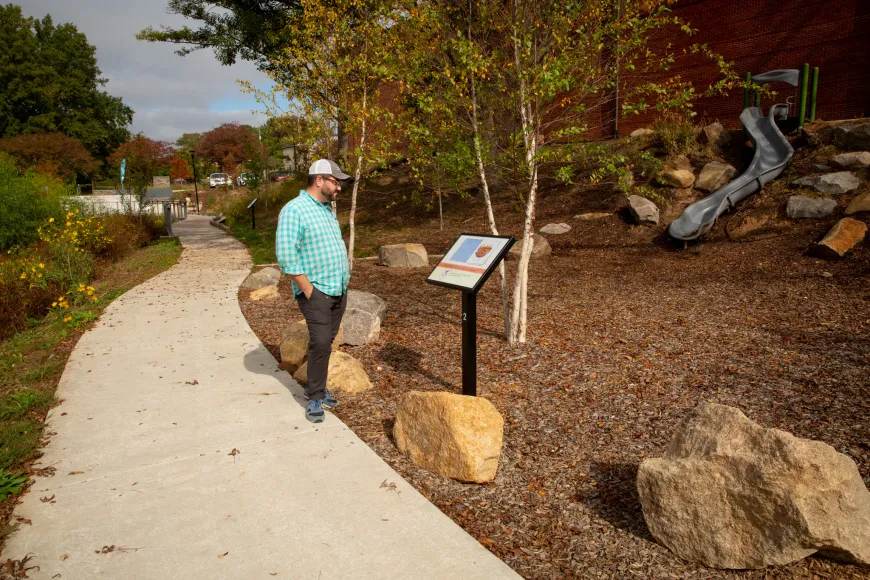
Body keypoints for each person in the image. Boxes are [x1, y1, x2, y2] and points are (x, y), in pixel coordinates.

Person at [276, 159, 351, 422]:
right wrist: (309, 290)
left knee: (324, 344)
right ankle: (316, 397)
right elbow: (286, 256)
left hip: (338, 288)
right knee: (320, 342)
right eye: (335, 181)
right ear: (319, 180)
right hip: (317, 291)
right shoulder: (294, 210)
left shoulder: (326, 209)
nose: (339, 187)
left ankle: (314, 387)